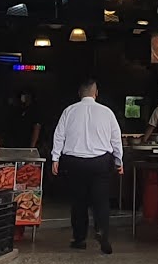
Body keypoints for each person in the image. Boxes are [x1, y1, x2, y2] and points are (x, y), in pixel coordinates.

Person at [50, 79, 124, 252]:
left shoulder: (69, 111)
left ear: (79, 93)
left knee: (78, 201)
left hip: (74, 162)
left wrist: (55, 158)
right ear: (96, 93)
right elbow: (116, 138)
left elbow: (59, 135)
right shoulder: (107, 112)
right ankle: (102, 232)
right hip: (100, 162)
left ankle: (79, 239)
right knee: (101, 200)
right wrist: (119, 161)